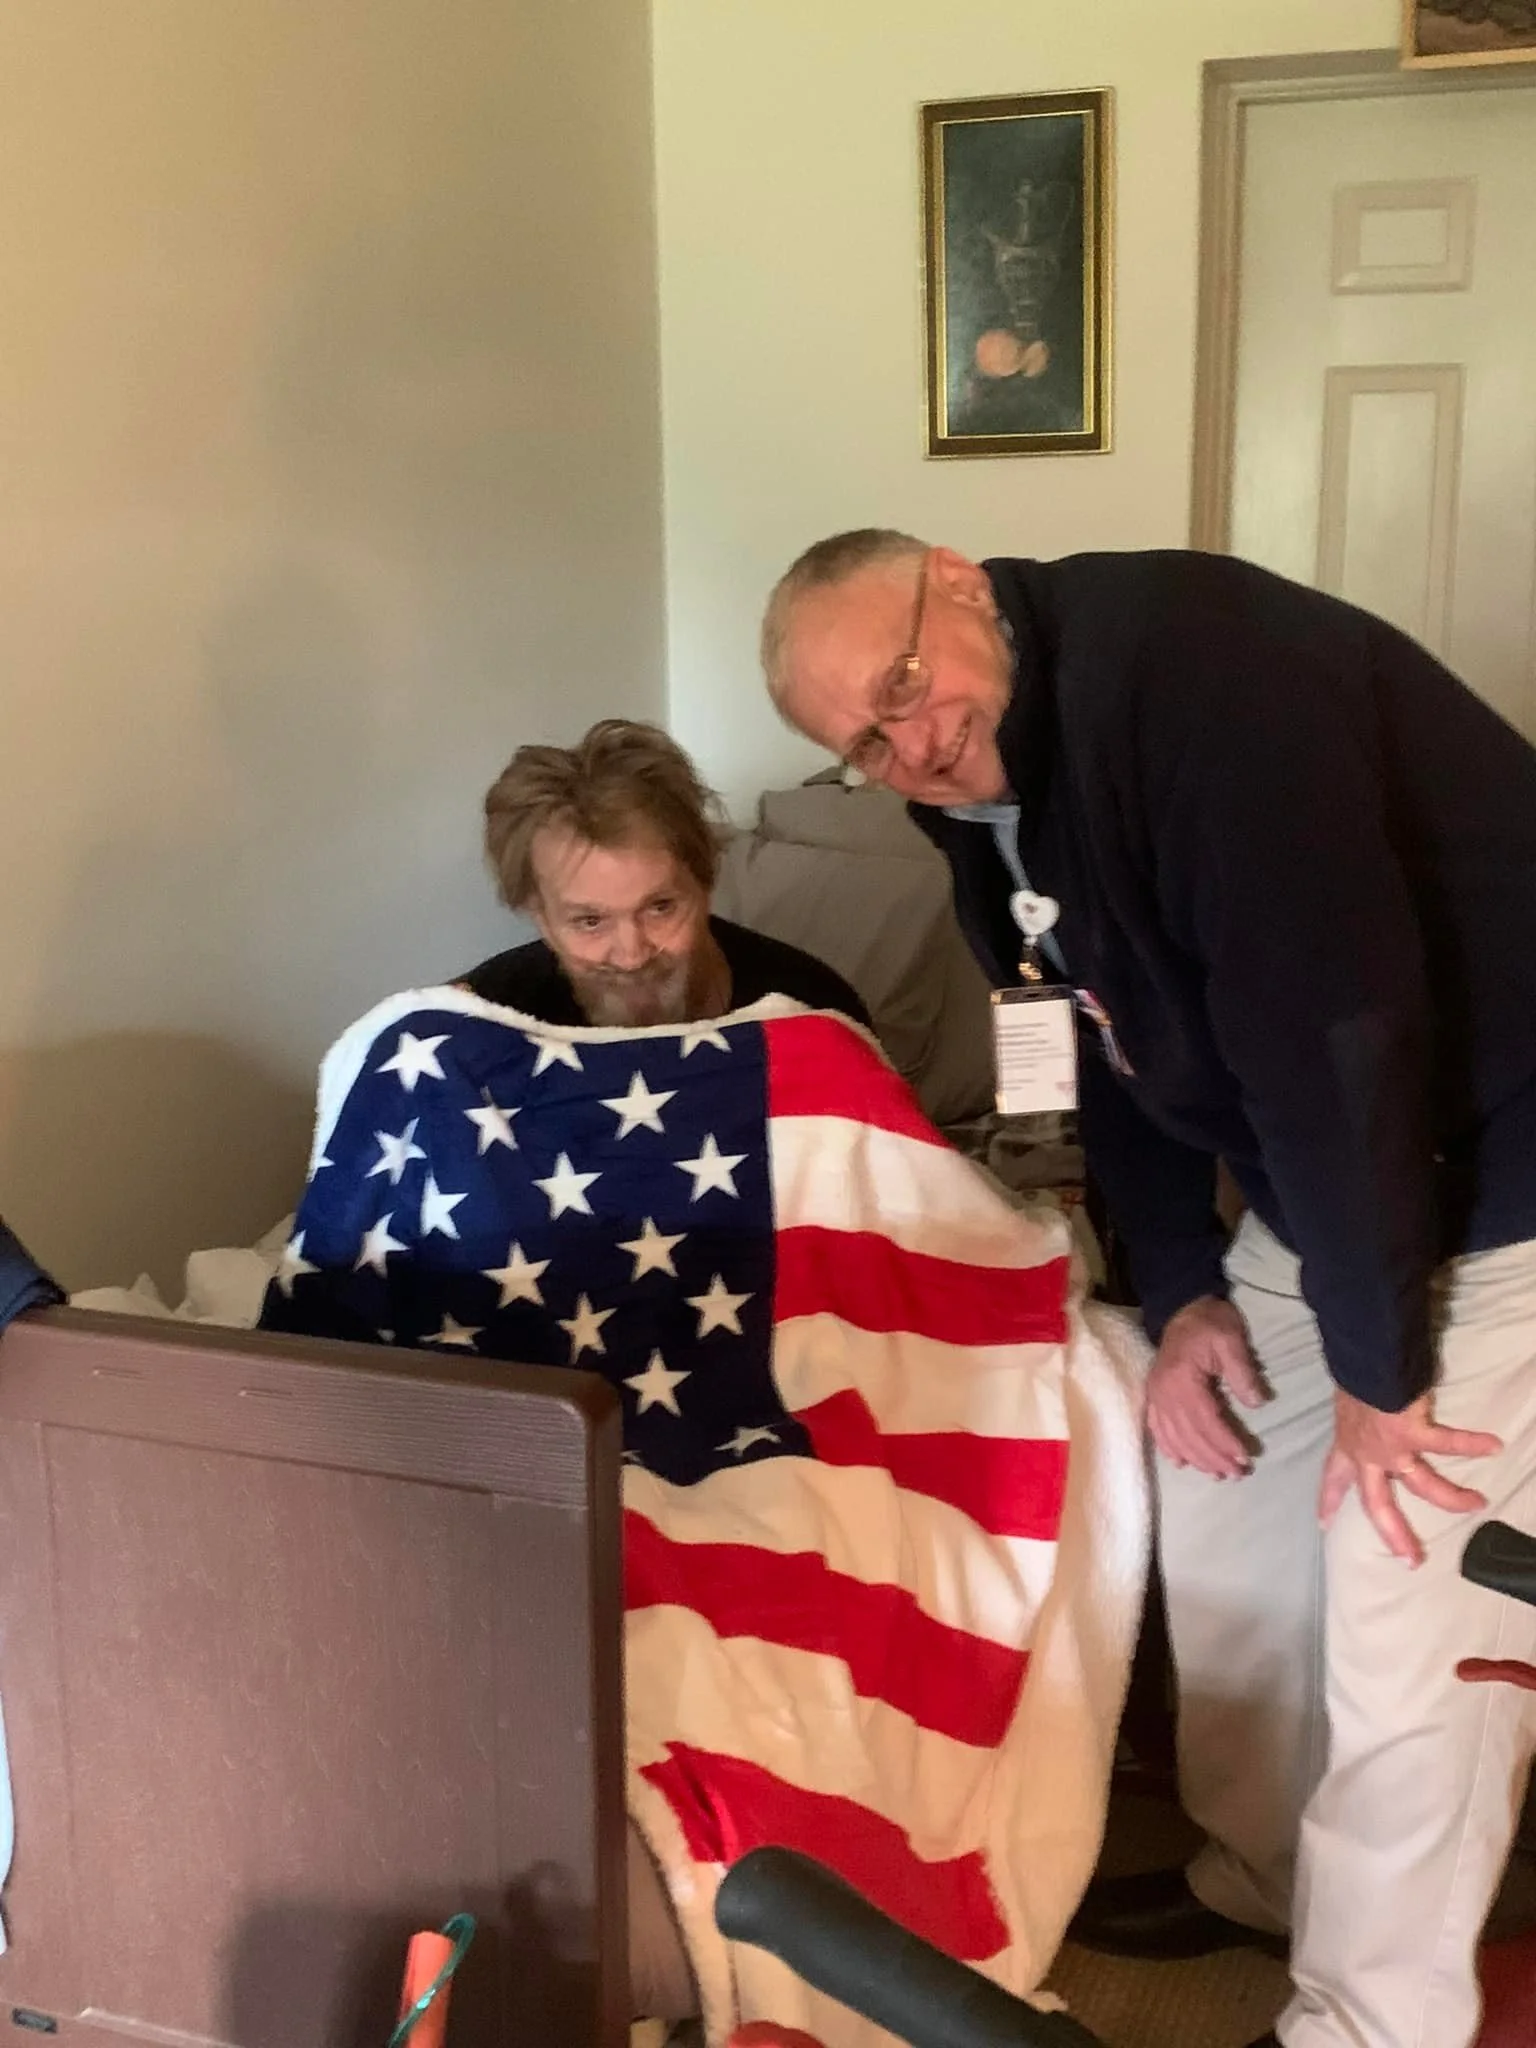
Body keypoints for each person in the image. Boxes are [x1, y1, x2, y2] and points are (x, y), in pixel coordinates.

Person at [758, 528, 1536, 2048]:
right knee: (1231, 1504)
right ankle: (1261, 1878)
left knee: (1408, 1597)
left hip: (1511, 1168)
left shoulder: (1201, 682)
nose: (910, 740)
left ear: (958, 575)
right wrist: (1184, 1293)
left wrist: (1384, 1379)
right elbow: (1089, 1031)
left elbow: (1339, 1040)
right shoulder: (984, 795)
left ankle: (1374, 2023)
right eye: (866, 738)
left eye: (907, 680)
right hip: (1350, 1190)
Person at [460, 717, 871, 1032]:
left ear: (705, 881)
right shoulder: (481, 1023)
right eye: (589, 921)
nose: (632, 955)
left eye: (660, 907)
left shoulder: (812, 1011)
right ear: (542, 919)